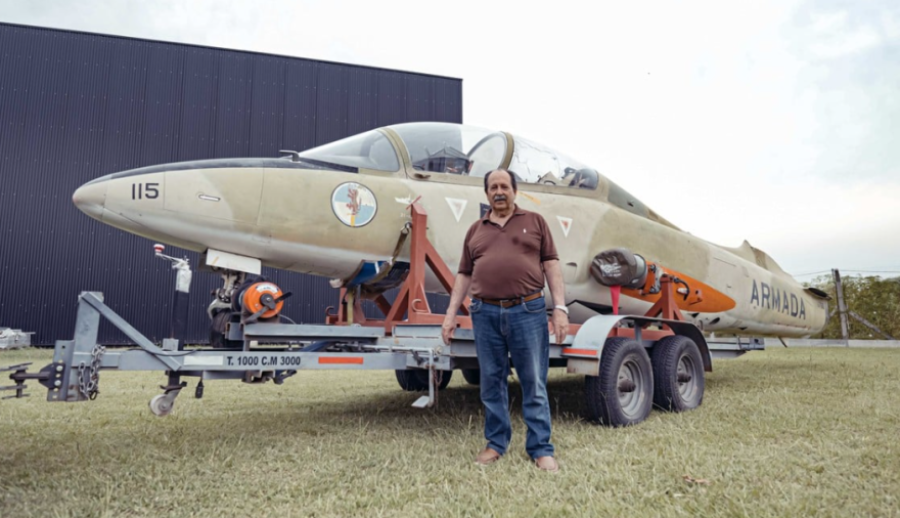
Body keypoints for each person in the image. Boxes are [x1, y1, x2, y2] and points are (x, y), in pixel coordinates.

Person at [441, 168, 569, 473]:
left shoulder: (535, 222)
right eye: (493, 187)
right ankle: (496, 443)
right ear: (486, 194)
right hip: (484, 314)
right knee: (491, 382)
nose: (499, 192)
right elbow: (464, 274)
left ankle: (540, 448)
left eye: (504, 186)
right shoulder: (476, 230)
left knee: (533, 381)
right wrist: (449, 315)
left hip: (527, 311)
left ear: (515, 191)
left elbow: (551, 265)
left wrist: (560, 307)